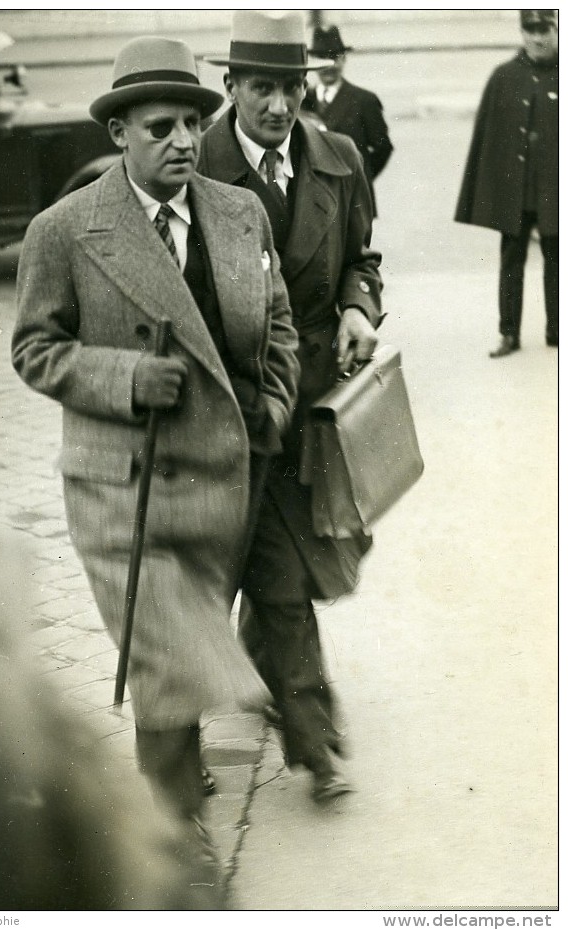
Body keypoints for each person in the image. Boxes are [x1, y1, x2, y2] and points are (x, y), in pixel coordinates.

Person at [11, 35, 300, 879]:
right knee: (167, 655)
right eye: (162, 127)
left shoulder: (239, 212)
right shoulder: (64, 231)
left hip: (224, 476)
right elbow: (34, 349)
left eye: (192, 124)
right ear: (119, 136)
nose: (183, 140)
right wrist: (128, 375)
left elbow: (275, 317)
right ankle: (174, 836)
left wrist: (274, 401)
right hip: (123, 485)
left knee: (175, 655)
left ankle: (177, 782)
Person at [199, 10, 383, 804]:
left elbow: (364, 259)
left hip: (312, 405)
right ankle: (314, 742)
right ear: (231, 86)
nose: (278, 107)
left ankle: (284, 696)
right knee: (257, 576)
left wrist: (357, 308)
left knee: (303, 560)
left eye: (291, 88)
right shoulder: (194, 163)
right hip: (227, 409)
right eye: (262, 87)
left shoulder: (337, 158)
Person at [0, 469, 220, 910]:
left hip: (201, 489)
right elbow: (153, 890)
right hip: (121, 490)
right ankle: (181, 809)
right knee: (164, 663)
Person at [455, 9, 558, 357]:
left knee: (557, 258)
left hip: (555, 189)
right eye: (530, 30)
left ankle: (557, 330)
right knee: (511, 258)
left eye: (545, 29)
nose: (538, 38)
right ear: (522, 32)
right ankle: (509, 333)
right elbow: (488, 138)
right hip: (517, 191)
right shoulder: (504, 76)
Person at [301, 22, 393, 216]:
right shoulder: (302, 100)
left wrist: (361, 176)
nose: (328, 66)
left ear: (343, 59)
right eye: (321, 58)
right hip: (312, 200)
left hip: (354, 200)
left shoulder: (364, 100)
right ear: (312, 62)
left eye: (334, 57)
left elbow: (383, 147)